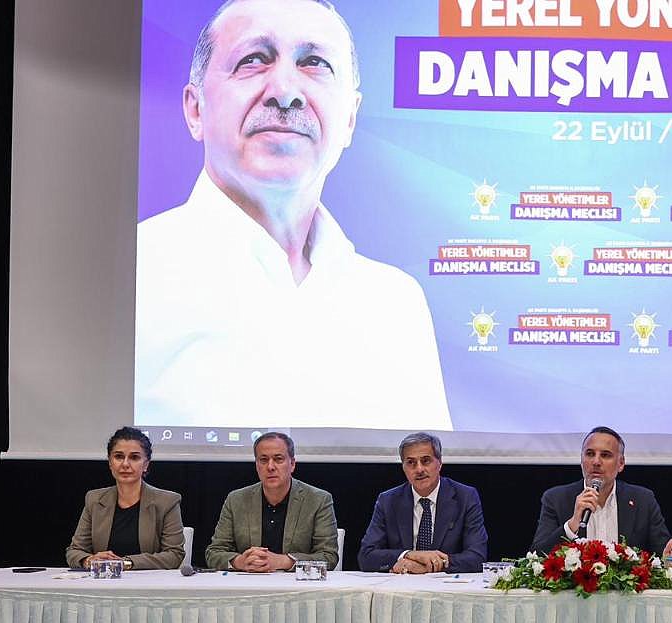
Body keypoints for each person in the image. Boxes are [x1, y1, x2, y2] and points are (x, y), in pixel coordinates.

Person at [135, 0, 449, 430]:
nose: (285, 91)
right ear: (195, 109)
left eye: (314, 63)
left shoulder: (396, 304)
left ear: (350, 118)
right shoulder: (130, 275)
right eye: (253, 59)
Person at [530, 426, 672, 558]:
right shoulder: (556, 499)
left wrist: (671, 561)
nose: (596, 462)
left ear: (621, 463)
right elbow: (536, 556)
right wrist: (572, 524)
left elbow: (669, 553)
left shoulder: (643, 500)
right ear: (581, 460)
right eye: (590, 454)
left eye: (605, 455)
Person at [205, 432, 339, 571]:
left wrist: (283, 561)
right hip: (248, 580)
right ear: (256, 465)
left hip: (294, 582)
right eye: (263, 460)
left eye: (278, 459)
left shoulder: (318, 500)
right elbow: (214, 552)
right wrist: (240, 561)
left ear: (292, 464)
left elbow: (328, 557)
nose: (270, 467)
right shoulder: (236, 500)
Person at [357, 432, 488, 574]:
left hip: (445, 584)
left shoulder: (465, 497)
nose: (419, 469)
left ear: (440, 463)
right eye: (411, 462)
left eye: (426, 461)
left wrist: (429, 566)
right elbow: (366, 556)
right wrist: (409, 555)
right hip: (402, 584)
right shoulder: (388, 500)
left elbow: (477, 557)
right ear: (403, 467)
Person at [66, 427, 186, 570]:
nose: (125, 464)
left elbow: (174, 555)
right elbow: (74, 551)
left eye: (134, 457)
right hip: (103, 580)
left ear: (146, 464)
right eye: (119, 457)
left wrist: (125, 563)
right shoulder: (95, 499)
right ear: (110, 462)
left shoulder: (167, 502)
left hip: (149, 581)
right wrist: (89, 560)